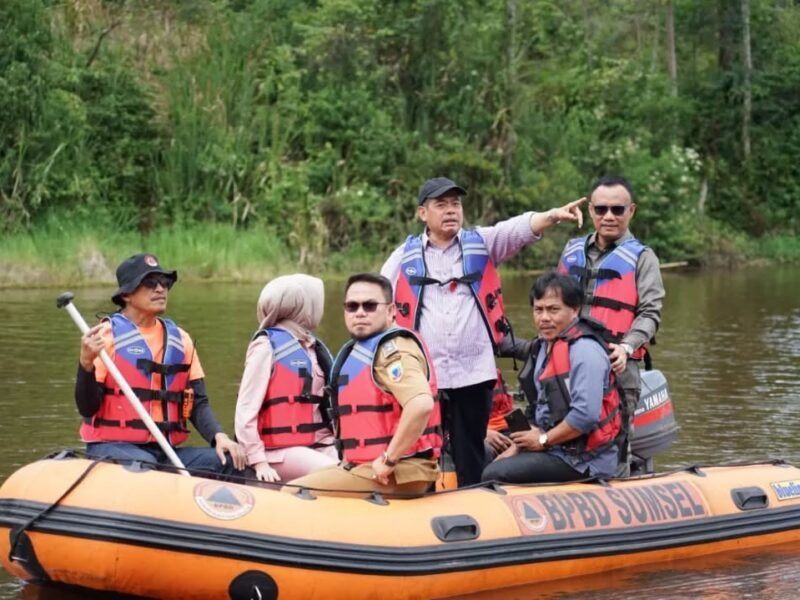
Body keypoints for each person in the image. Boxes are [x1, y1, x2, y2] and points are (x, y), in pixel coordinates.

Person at [381, 176, 585, 486]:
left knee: (470, 451)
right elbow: (379, 300)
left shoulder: (483, 243)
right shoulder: (402, 257)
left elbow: (518, 229)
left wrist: (553, 215)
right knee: (421, 448)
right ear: (423, 213)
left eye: (455, 204)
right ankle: (418, 501)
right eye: (441, 205)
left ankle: (474, 504)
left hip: (473, 373)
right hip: (425, 374)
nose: (451, 210)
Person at [75, 253, 246, 476]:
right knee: (147, 468)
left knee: (232, 461)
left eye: (165, 283)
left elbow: (198, 402)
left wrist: (219, 436)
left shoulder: (181, 340)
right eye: (150, 283)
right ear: (126, 294)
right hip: (113, 446)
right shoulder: (105, 337)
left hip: (165, 452)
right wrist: (86, 363)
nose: (160, 289)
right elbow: (87, 407)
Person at [286, 273, 441, 496]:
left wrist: (389, 459)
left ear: (390, 310)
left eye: (369, 306)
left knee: (291, 493)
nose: (360, 312)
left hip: (402, 471)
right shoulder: (366, 348)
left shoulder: (394, 351)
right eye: (352, 306)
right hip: (366, 466)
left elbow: (421, 404)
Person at [557, 175, 664, 473]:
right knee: (562, 440)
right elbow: (551, 307)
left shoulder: (644, 258)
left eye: (617, 210)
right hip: (567, 363)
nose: (608, 216)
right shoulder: (571, 250)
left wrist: (627, 347)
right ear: (590, 210)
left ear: (631, 211)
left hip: (617, 364)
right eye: (601, 209)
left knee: (613, 448)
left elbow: (651, 313)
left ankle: (621, 491)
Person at [481, 272, 621, 484]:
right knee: (478, 450)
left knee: (494, 473)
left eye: (553, 309)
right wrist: (519, 445)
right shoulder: (545, 347)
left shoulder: (585, 351)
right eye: (539, 310)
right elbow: (541, 410)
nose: (544, 318)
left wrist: (542, 440)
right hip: (553, 444)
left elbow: (585, 416)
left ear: (574, 310)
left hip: (582, 459)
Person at [234, 274, 338, 483]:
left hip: (318, 443)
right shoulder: (265, 347)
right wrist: (258, 460)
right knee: (335, 474)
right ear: (301, 306)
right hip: (277, 452)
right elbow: (246, 409)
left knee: (356, 470)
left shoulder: (310, 348)